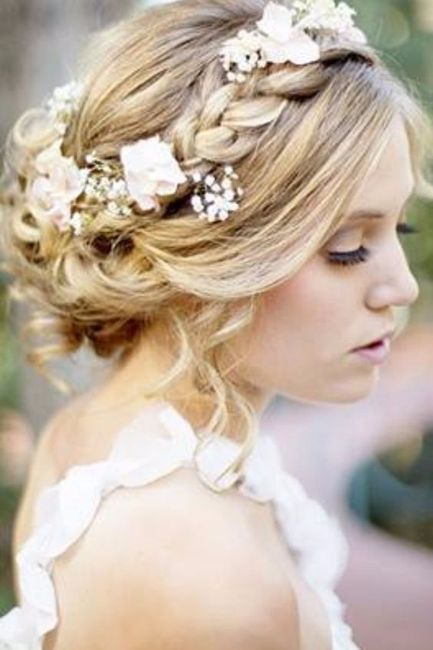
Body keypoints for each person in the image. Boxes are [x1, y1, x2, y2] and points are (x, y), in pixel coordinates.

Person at [0, 0, 432, 648]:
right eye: (346, 245)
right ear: (210, 256)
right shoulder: (216, 586)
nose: (401, 286)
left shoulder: (88, 433)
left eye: (396, 228)